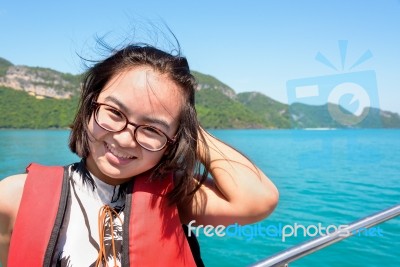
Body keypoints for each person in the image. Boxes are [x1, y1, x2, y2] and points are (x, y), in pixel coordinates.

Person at [0, 43, 279, 267]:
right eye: (114, 112)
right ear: (89, 107)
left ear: (174, 140)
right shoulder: (14, 196)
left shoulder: (173, 196)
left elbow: (258, 199)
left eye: (151, 129)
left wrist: (189, 128)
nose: (124, 138)